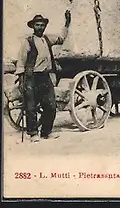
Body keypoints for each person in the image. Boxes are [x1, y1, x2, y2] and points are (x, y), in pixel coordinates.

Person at [15, 11, 71, 142]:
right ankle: (33, 134)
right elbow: (21, 61)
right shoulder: (28, 42)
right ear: (33, 26)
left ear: (45, 26)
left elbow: (61, 38)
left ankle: (46, 132)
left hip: (45, 77)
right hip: (31, 77)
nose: (40, 27)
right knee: (31, 106)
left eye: (42, 25)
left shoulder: (47, 39)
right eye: (37, 25)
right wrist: (22, 80)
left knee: (50, 105)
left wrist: (67, 24)